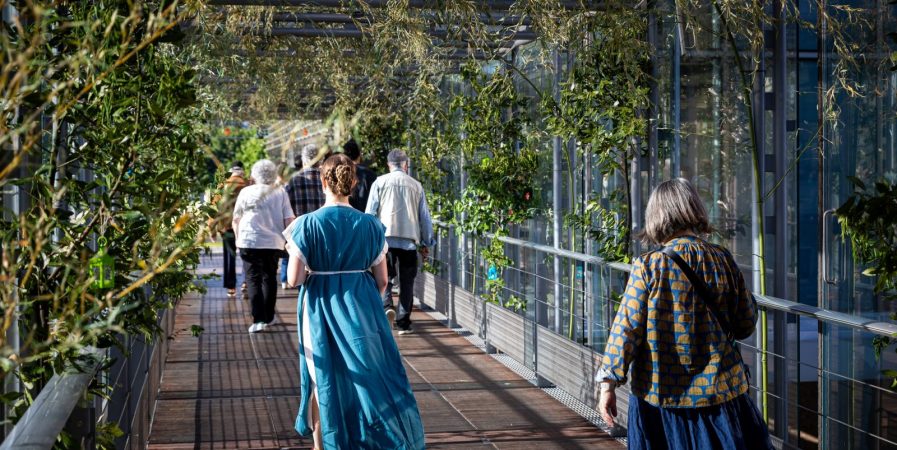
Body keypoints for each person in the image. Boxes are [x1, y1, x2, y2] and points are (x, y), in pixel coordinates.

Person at [596, 178, 773, 450]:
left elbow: (626, 329)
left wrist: (608, 385)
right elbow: (745, 324)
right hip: (721, 397)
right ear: (694, 210)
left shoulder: (649, 267)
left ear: (656, 216)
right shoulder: (722, 259)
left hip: (663, 399)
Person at [284, 154, 425, 450]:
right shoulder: (371, 226)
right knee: (369, 372)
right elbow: (383, 281)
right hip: (361, 305)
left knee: (321, 374)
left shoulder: (304, 225)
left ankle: (324, 444)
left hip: (319, 307)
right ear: (354, 183)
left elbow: (294, 280)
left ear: (323, 181)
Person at [365, 149, 434, 335]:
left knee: (384, 277)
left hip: (384, 240)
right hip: (409, 241)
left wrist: (369, 239)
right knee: (407, 282)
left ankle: (387, 305)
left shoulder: (379, 182)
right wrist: (427, 242)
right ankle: (403, 322)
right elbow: (425, 218)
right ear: (405, 165)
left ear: (389, 165)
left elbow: (370, 214)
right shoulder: (416, 185)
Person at [233, 159, 295, 333]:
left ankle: (258, 319)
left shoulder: (245, 192)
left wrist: (238, 239)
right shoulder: (280, 192)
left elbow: (236, 219)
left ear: (254, 175)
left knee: (253, 279)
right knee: (269, 278)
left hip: (248, 240)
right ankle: (269, 316)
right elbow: (289, 218)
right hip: (272, 242)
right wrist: (289, 240)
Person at [342, 139, 377, 212]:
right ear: (359, 154)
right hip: (365, 217)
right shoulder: (370, 174)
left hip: (344, 216)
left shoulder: (340, 173)